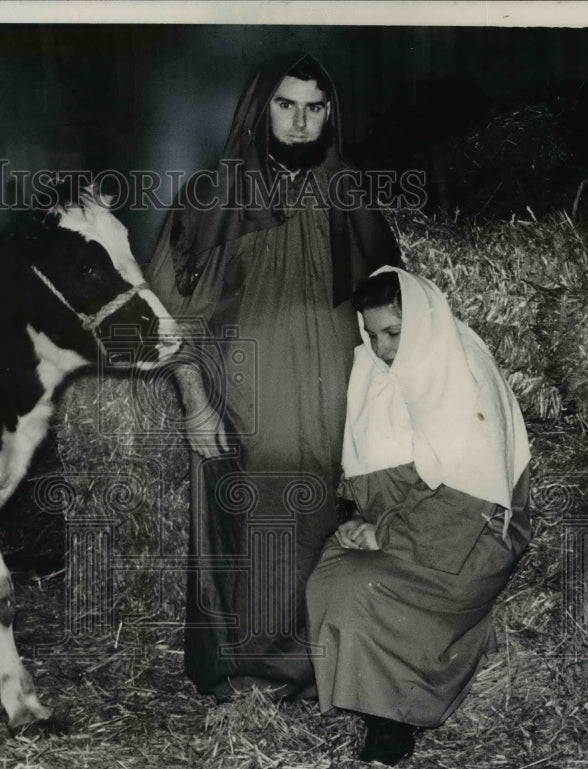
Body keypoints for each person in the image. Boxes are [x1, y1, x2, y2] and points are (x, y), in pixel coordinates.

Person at [146, 53, 401, 702]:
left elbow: (397, 311)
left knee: (322, 527)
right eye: (287, 105)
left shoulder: (351, 197)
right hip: (243, 403)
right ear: (261, 108)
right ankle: (246, 675)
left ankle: (318, 671)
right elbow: (161, 314)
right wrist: (195, 404)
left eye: (316, 107)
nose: (301, 120)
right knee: (251, 533)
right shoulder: (213, 198)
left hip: (334, 406)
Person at [306, 267, 532, 765]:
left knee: (365, 590)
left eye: (393, 333)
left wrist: (382, 531)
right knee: (331, 573)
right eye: (371, 334)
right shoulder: (373, 367)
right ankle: (369, 693)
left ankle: (395, 718)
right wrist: (357, 518)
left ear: (424, 324)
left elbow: (471, 495)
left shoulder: (462, 372)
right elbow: (371, 465)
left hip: (471, 536)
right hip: (411, 524)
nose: (381, 348)